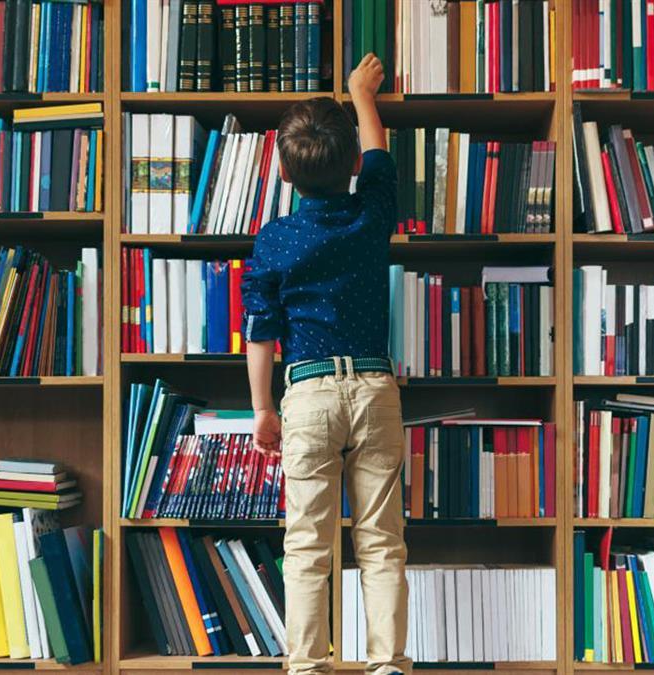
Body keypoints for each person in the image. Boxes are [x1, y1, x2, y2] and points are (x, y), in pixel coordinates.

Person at [241, 54, 410, 675]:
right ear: (352, 169)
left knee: (307, 546)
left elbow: (261, 332)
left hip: (308, 395)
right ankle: (387, 665)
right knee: (382, 543)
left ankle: (307, 667)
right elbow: (380, 160)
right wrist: (362, 96)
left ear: (284, 171)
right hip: (373, 387)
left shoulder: (275, 238)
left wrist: (262, 409)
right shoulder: (371, 216)